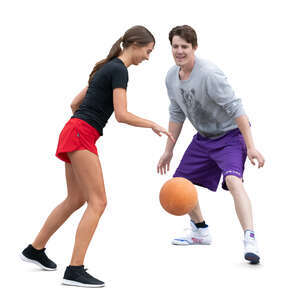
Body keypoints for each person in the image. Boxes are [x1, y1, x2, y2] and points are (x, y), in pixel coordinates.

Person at [21, 25, 174, 288]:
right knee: (98, 201)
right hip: (81, 133)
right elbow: (122, 114)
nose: (148, 57)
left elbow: (73, 104)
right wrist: (153, 124)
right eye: (148, 51)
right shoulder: (119, 70)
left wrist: (85, 123)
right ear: (135, 45)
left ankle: (35, 249)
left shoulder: (105, 66)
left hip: (74, 131)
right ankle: (75, 269)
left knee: (76, 198)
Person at [157, 25, 265, 264]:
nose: (179, 51)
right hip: (204, 138)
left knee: (232, 180)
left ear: (194, 47)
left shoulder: (209, 74)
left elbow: (237, 110)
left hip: (230, 137)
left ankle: (250, 238)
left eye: (185, 46)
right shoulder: (170, 78)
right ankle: (200, 230)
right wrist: (168, 150)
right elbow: (176, 113)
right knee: (180, 183)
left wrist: (251, 147)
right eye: (175, 46)